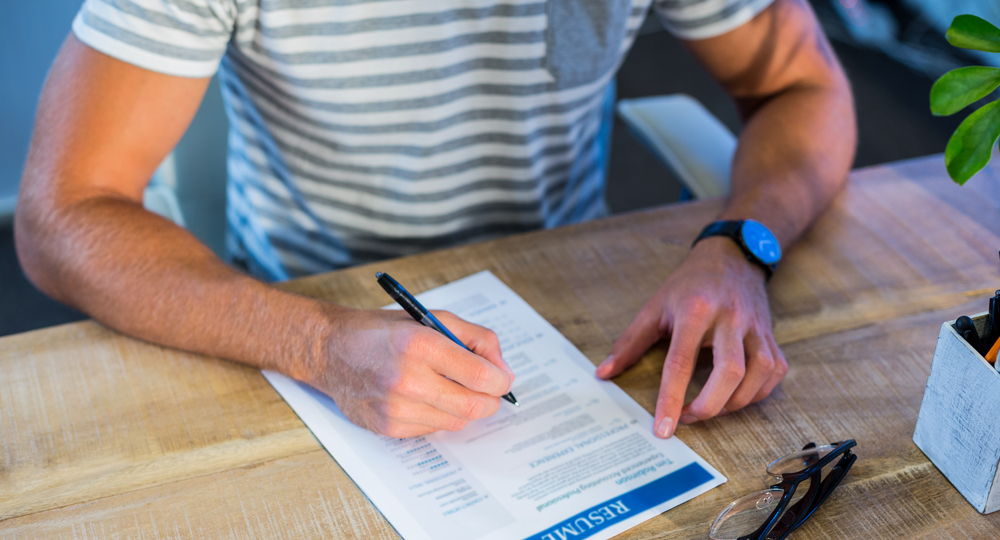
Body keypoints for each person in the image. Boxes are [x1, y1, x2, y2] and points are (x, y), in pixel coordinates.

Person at [15, 0, 856, 440]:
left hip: (579, 316)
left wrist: (741, 245)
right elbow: (62, 215)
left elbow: (804, 88)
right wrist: (318, 344)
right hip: (300, 324)